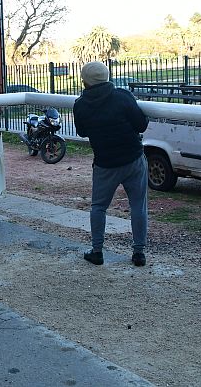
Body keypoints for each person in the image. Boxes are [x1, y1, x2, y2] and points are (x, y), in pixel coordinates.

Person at [73, 61, 150, 267]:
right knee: (138, 205)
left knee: (98, 207)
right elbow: (141, 124)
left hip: (105, 164)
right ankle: (139, 253)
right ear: (107, 77)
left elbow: (81, 131)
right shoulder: (122, 96)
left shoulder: (80, 104)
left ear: (85, 81)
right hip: (133, 158)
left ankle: (97, 251)